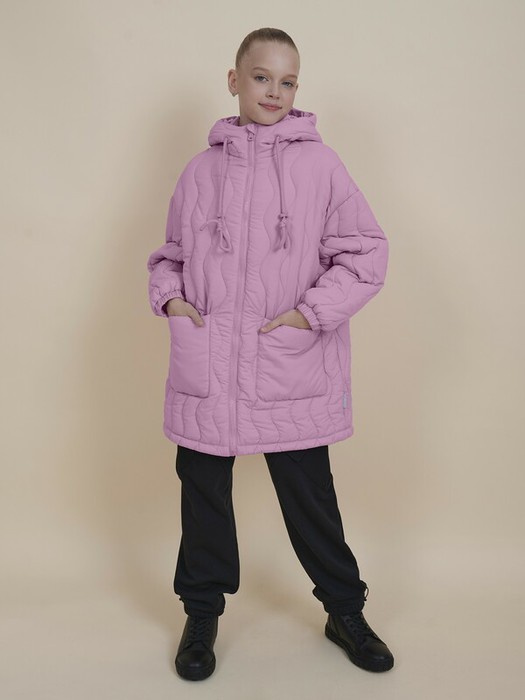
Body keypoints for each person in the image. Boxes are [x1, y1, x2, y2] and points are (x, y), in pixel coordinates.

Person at [146, 27, 394, 682]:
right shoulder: (200, 171)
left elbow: (365, 254)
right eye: (261, 77)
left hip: (288, 364)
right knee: (203, 493)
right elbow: (169, 257)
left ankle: (345, 611)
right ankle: (201, 615)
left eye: (288, 81)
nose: (275, 92)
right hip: (208, 365)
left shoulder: (321, 167)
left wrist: (309, 314)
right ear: (234, 80)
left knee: (310, 496)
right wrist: (173, 303)